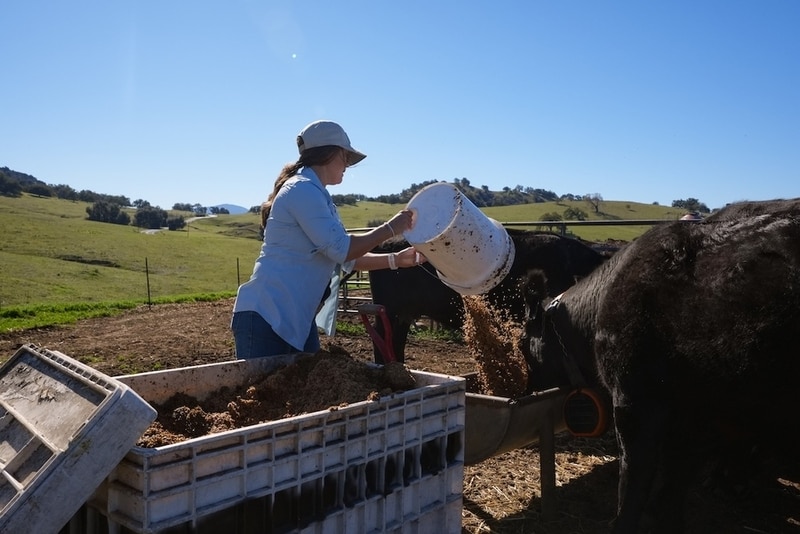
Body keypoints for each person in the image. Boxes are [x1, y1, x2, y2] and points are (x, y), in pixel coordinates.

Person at [231, 119, 426, 359]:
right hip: (267, 319)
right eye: (345, 157)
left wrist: (396, 260)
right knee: (262, 395)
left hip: (293, 320)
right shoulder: (301, 190)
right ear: (329, 154)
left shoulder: (317, 196)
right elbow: (342, 249)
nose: (347, 166)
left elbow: (347, 259)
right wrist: (390, 228)